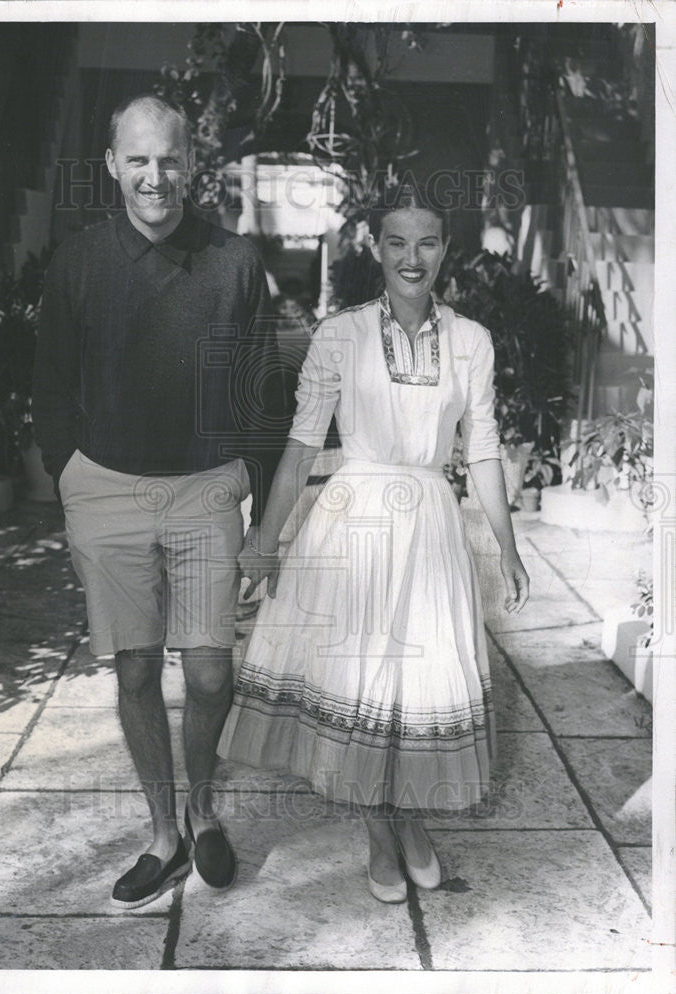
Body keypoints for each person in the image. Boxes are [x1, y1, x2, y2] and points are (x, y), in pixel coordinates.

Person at [217, 184, 530, 903]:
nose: (410, 257)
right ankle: (381, 832)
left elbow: (480, 450)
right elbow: (298, 449)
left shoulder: (471, 342)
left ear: (445, 249)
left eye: (426, 242)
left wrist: (506, 547)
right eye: (396, 241)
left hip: (428, 525)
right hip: (352, 521)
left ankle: (406, 822)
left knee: (413, 687)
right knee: (359, 685)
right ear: (375, 247)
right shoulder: (341, 334)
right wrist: (264, 542)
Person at [31, 93, 288, 909]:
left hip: (205, 485)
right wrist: (68, 470)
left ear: (191, 164)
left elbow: (260, 390)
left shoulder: (233, 263)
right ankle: (163, 835)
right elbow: (46, 384)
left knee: (211, 672)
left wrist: (250, 484)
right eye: (137, 159)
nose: (154, 176)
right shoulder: (77, 262)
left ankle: (205, 808)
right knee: (136, 669)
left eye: (168, 159)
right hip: (103, 485)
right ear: (113, 165)